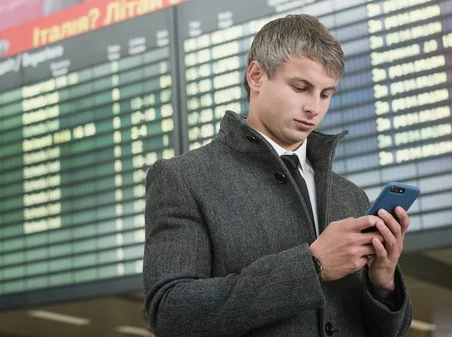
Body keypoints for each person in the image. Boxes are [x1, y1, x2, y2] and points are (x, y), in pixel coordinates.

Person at [144, 14, 412, 337]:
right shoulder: (184, 179)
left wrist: (383, 284)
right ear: (256, 76)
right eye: (301, 88)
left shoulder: (351, 196)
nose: (314, 108)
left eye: (326, 94)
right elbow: (171, 315)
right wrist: (311, 267)